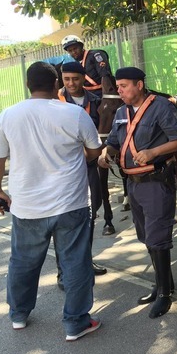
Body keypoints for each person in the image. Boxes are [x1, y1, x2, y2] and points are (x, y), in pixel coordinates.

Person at [0, 61, 103, 341]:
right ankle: (76, 322)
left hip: (26, 206)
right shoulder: (74, 114)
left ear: (28, 86)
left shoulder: (8, 115)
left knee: (23, 262)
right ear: (56, 85)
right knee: (76, 263)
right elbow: (95, 151)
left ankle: (19, 314)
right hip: (71, 205)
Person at [98, 67, 177, 318]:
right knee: (146, 235)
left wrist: (154, 152)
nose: (119, 90)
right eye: (118, 86)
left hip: (156, 181)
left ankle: (165, 293)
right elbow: (114, 140)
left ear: (139, 85)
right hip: (133, 183)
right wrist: (106, 153)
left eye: (124, 85)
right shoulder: (121, 112)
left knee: (158, 237)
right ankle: (161, 283)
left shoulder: (161, 106)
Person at [57, 62, 115, 285]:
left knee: (91, 212)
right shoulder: (56, 102)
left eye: (75, 79)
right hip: (66, 169)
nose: (71, 83)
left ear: (83, 78)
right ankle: (63, 271)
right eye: (67, 79)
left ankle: (85, 262)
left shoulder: (95, 101)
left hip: (92, 164)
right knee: (65, 219)